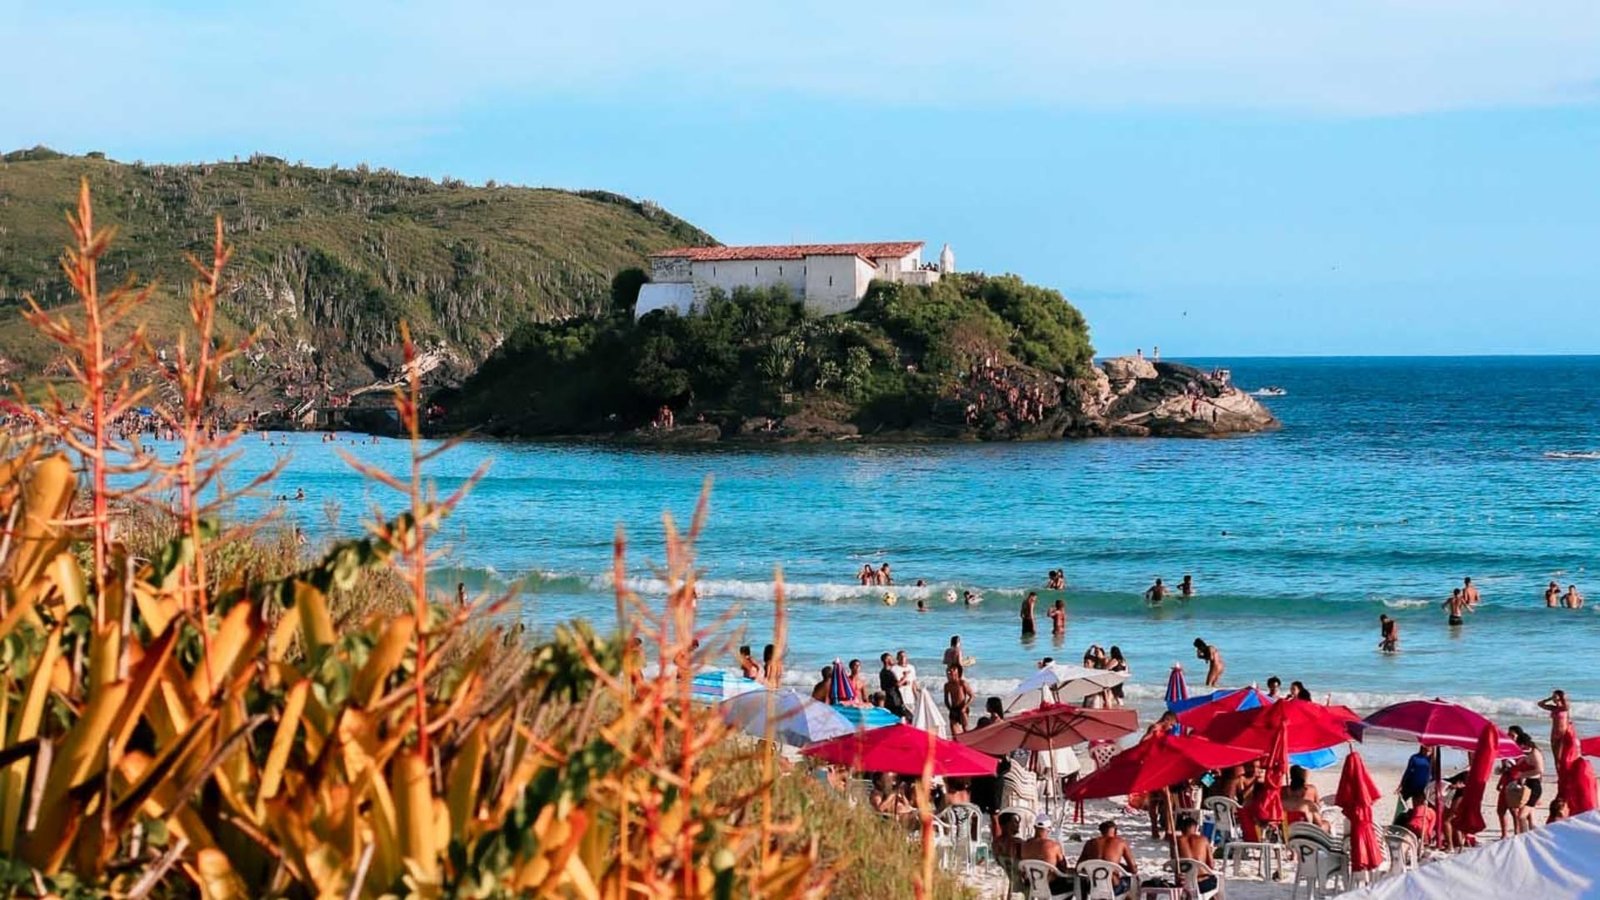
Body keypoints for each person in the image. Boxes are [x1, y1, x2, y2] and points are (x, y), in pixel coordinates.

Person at [1076, 820, 1138, 895]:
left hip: (1093, 887)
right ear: (1115, 832)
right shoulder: (1121, 843)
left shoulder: (1090, 843)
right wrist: (1116, 865)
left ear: (1101, 832)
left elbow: (1079, 867)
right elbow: (1134, 870)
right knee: (1135, 880)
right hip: (1114, 888)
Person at [1019, 816, 1074, 895]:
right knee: (1078, 883)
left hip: (1031, 886)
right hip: (1051, 887)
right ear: (1049, 829)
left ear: (1034, 827)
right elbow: (1063, 868)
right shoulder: (1054, 846)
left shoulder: (1024, 845)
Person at [1174, 814, 1217, 894]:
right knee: (1215, 885)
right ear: (1196, 828)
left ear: (1181, 829)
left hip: (1184, 884)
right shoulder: (1203, 840)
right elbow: (1211, 865)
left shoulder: (1176, 841)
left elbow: (1175, 865)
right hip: (1203, 884)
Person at [944, 664, 973, 734]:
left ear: (957, 673)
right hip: (953, 709)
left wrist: (964, 707)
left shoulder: (962, 683)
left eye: (952, 671)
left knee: (965, 729)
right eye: (948, 672)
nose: (949, 674)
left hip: (962, 708)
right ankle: (955, 743)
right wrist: (950, 708)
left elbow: (972, 696)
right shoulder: (947, 685)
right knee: (954, 732)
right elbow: (946, 699)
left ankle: (967, 743)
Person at [879, 653, 908, 720]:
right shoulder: (888, 672)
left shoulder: (883, 672)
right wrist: (905, 676)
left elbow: (892, 684)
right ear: (886, 660)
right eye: (891, 659)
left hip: (890, 698)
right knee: (905, 718)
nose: (893, 660)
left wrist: (902, 682)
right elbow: (897, 684)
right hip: (894, 699)